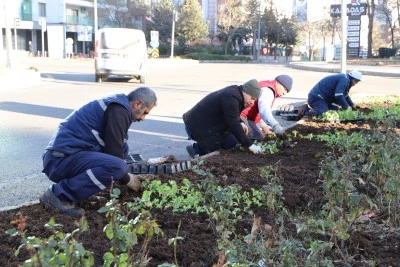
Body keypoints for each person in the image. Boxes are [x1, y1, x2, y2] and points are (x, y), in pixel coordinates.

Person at [40, 87, 157, 216]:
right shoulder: (119, 110)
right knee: (117, 166)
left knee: (123, 151)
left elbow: (118, 150)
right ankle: (59, 195)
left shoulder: (117, 105)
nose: (143, 118)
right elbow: (114, 157)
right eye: (145, 112)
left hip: (65, 158)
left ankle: (80, 193)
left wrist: (126, 174)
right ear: (138, 104)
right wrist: (128, 179)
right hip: (59, 161)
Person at [183, 79, 264, 158]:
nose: (252, 103)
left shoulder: (237, 94)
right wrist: (250, 145)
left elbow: (232, 114)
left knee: (231, 141)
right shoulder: (231, 97)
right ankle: (196, 150)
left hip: (207, 124)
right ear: (246, 92)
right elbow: (233, 124)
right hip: (195, 126)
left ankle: (203, 147)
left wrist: (241, 122)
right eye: (252, 98)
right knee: (214, 153)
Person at [240, 75, 293, 140]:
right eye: (284, 89)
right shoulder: (268, 91)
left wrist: (266, 130)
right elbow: (264, 111)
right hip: (241, 116)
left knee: (259, 136)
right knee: (256, 137)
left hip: (245, 116)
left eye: (287, 91)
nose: (284, 93)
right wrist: (276, 126)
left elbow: (260, 112)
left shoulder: (268, 86)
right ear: (278, 83)